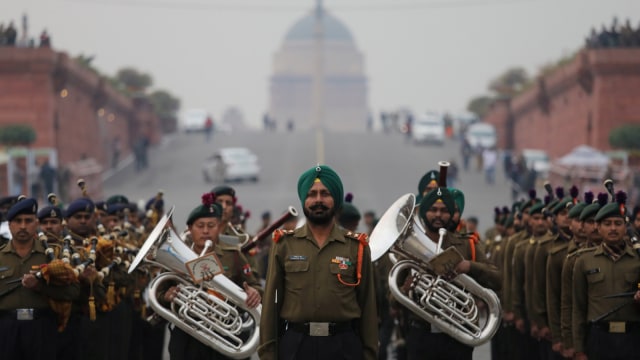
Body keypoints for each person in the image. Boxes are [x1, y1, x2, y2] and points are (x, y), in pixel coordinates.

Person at [258, 164, 378, 360]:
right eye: (312, 194)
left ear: (336, 201)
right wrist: (268, 353)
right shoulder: (284, 245)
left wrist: (370, 353)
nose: (318, 200)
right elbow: (271, 304)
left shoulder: (357, 246)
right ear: (304, 200)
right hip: (296, 346)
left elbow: (368, 307)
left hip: (344, 346)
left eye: (325, 194)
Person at [401, 187, 501, 360]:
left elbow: (498, 279)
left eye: (444, 210)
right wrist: (405, 289)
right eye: (433, 210)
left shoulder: (467, 245)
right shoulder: (409, 247)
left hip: (458, 334)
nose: (438, 215)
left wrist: (469, 266)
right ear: (424, 212)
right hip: (420, 335)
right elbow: (391, 300)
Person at [159, 192, 262, 360]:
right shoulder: (176, 256)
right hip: (187, 335)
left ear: (219, 227)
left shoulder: (233, 255)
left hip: (226, 335)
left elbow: (255, 286)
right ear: (190, 229)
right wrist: (167, 296)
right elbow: (159, 292)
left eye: (211, 225)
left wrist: (254, 293)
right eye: (200, 226)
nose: (206, 231)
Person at [0, 197, 80, 359]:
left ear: (36, 224)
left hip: (42, 326)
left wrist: (40, 286)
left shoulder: (52, 256)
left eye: (28, 221)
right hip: (7, 328)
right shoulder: (1, 256)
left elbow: (73, 292)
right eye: (18, 221)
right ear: (9, 225)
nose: (23, 226)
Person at [572, 191, 640, 360]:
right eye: (607, 223)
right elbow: (578, 308)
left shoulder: (637, 259)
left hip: (632, 337)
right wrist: (579, 349)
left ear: (625, 227)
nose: (613, 228)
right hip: (599, 337)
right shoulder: (584, 261)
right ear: (599, 228)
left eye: (618, 223)